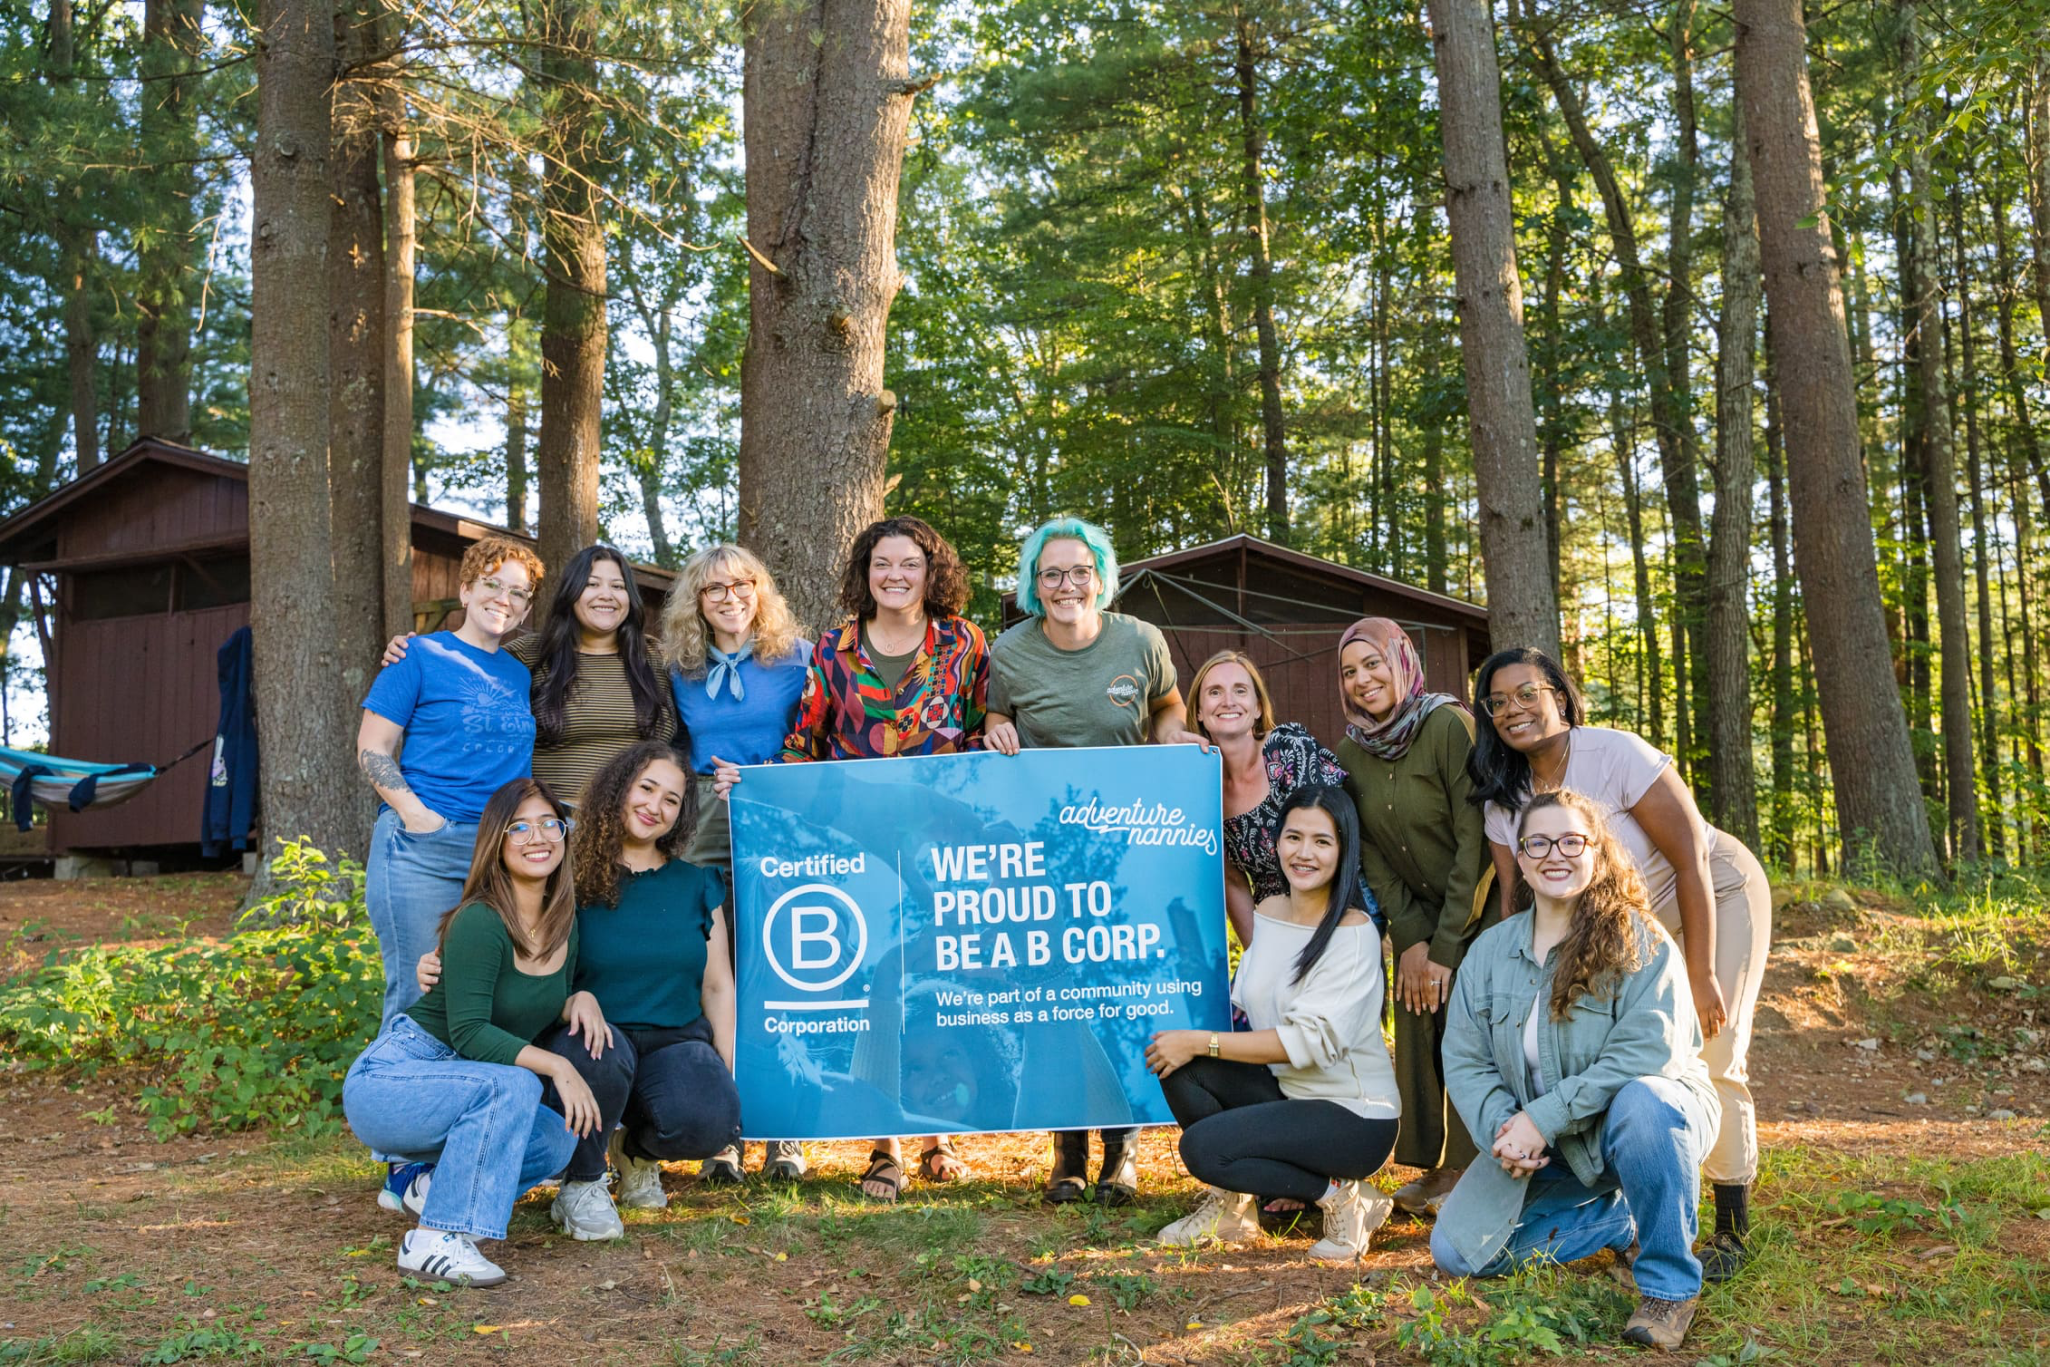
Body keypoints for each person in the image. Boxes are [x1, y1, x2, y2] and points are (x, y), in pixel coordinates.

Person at [1469, 648, 1772, 1281]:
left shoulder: (1615, 752)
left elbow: (1690, 859)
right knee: (1629, 1054)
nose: (1512, 710)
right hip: (1622, 917)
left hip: (1712, 890)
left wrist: (1700, 970)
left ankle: (1732, 1226)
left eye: (1527, 694)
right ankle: (1642, 1198)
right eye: (1497, 703)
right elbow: (1514, 899)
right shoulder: (1504, 796)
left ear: (1559, 693)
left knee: (1714, 1044)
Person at [717, 515, 989, 1201]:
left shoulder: (964, 641)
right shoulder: (835, 647)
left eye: (909, 563)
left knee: (934, 975)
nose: (895, 575)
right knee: (877, 984)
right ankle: (884, 1144)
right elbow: (804, 746)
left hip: (939, 847)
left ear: (932, 572)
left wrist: (998, 729)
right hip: (853, 846)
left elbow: (987, 723)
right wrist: (760, 786)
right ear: (865, 572)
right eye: (881, 563)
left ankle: (940, 1137)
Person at [1431, 790, 1721, 1351]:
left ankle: (1668, 1286)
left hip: (1648, 1126)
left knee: (1643, 1102)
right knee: (1457, 1253)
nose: (1554, 854)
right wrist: (1505, 1129)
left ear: (1596, 851)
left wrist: (1541, 1117)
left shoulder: (1639, 940)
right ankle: (1621, 1222)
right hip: (1549, 1142)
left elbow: (1645, 1055)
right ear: (1520, 855)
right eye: (1537, 842)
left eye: (1571, 840)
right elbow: (1465, 1059)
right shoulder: (1490, 952)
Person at [416, 742, 742, 1238]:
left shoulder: (697, 883)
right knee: (594, 1050)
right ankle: (582, 1182)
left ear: (681, 815)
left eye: (672, 800)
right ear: (619, 789)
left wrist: (725, 1071)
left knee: (712, 1119)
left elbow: (718, 985)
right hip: (585, 1036)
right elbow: (500, 927)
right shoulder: (567, 875)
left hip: (673, 1040)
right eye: (647, 788)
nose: (656, 806)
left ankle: (633, 1152)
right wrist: (441, 962)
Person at [985, 515, 1203, 1207]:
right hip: (1043, 856)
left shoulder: (1141, 641)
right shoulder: (1010, 651)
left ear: (1102, 578)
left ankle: (1125, 1147)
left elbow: (1166, 710)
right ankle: (1068, 1150)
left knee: (1122, 990)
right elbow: (992, 720)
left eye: (1080, 570)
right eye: (1051, 573)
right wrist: (996, 729)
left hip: (1127, 845)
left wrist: (1176, 741)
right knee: (1053, 996)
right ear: (1033, 584)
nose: (1066, 584)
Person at [342, 778, 607, 1288]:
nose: (539, 837)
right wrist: (558, 1064)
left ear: (566, 833)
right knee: (516, 1084)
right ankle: (434, 1240)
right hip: (395, 1077)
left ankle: (429, 1187)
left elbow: (530, 1005)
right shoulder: (480, 920)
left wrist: (580, 997)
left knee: (555, 1141)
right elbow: (468, 1034)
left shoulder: (563, 923)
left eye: (550, 823)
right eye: (520, 827)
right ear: (497, 841)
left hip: (462, 1085)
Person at [1144, 786, 1401, 1262]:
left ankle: (1344, 1195)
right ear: (1276, 842)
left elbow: (1302, 1041)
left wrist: (1203, 1040)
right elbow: (1255, 1009)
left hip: (1353, 1117)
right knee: (1177, 1064)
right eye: (1293, 837)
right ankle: (1233, 1210)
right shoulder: (1268, 911)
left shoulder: (1354, 934)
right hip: (1290, 1095)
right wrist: (1197, 1049)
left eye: (1322, 842)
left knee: (1203, 1150)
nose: (1305, 853)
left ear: (1344, 850)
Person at [659, 543, 812, 1182]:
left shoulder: (800, 659)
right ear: (696, 601)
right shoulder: (678, 669)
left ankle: (783, 1132)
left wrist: (768, 776)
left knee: (774, 968)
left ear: (760, 592)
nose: (729, 598)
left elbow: (820, 740)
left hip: (779, 815)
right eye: (714, 589)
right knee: (711, 969)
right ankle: (724, 1130)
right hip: (702, 820)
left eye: (741, 585)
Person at [1333, 618, 1493, 1217]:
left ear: (1401, 660)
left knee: (1468, 1027)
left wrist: (1447, 945)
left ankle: (1472, 1169)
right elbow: (1370, 852)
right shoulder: (1351, 751)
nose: (1362, 679)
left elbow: (1474, 841)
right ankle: (1430, 1165)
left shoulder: (1450, 726)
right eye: (1350, 671)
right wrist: (1412, 939)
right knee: (1417, 1012)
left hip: (1481, 911)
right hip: (1417, 918)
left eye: (1372, 663)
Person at [358, 535, 542, 1030]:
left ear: (525, 610)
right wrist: (420, 819)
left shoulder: (519, 675)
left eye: (517, 593)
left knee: (484, 996)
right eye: (491, 584)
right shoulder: (417, 656)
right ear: (464, 591)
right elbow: (372, 748)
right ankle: (392, 1103)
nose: (503, 598)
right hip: (423, 850)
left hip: (497, 853)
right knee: (420, 994)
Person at [381, 543, 676, 805]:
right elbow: (461, 672)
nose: (606, 595)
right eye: (592, 584)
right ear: (571, 594)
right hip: (553, 828)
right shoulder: (528, 655)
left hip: (637, 823)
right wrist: (408, 649)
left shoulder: (659, 658)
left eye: (618, 586)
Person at [1185, 650, 1358, 949]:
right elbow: (1233, 882)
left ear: (1257, 707)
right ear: (1199, 711)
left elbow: (1331, 848)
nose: (1228, 701)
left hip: (1336, 907)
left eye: (1240, 691)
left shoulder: (1289, 752)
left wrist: (1315, 944)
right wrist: (1260, 956)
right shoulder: (1202, 788)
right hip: (1274, 921)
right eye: (1215, 692)